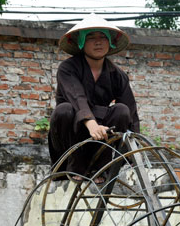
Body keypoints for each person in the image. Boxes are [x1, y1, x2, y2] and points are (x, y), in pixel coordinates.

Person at [49, 13, 140, 183]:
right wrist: (91, 124)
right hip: (70, 134)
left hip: (102, 138)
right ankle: (74, 167)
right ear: (81, 42)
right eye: (91, 37)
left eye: (103, 37)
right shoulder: (67, 68)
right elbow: (77, 98)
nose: (98, 42)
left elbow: (131, 112)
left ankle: (101, 169)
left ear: (110, 42)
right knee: (64, 110)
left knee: (122, 110)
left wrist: (136, 148)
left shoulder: (117, 75)